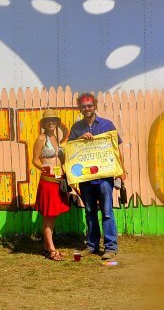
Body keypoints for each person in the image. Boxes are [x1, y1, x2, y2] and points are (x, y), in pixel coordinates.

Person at [69, 92, 125, 260]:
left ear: (95, 106)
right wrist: (79, 139)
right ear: (80, 108)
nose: (87, 108)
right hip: (86, 179)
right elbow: (69, 150)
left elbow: (117, 149)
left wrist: (122, 171)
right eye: (83, 106)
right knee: (89, 211)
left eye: (90, 105)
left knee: (107, 211)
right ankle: (92, 245)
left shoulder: (108, 125)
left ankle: (110, 247)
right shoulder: (76, 128)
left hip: (104, 178)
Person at [32, 108, 72, 261]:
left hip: (58, 179)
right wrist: (43, 167)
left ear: (56, 123)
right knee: (48, 215)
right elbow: (34, 160)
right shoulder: (41, 139)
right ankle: (51, 249)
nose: (51, 122)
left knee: (53, 215)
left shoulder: (55, 137)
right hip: (48, 180)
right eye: (48, 120)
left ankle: (47, 246)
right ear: (44, 123)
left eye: (53, 120)